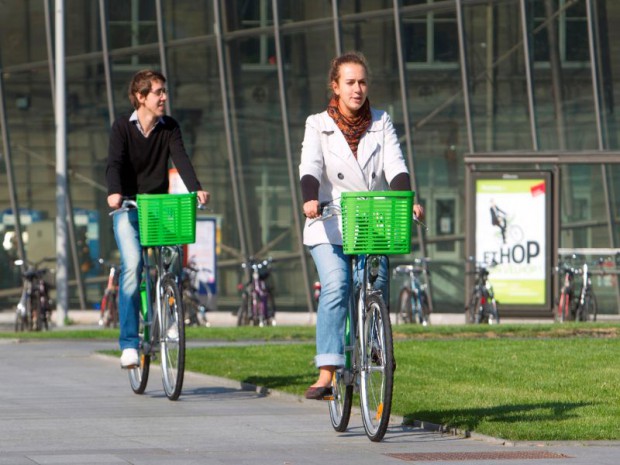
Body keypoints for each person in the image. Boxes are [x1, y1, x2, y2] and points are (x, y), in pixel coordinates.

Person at [299, 51, 424, 400]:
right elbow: (309, 166)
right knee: (337, 285)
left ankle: (375, 345)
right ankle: (327, 369)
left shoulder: (381, 121)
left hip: (370, 219)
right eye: (350, 82)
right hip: (329, 220)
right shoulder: (318, 123)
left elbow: (395, 166)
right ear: (335, 86)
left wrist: (407, 198)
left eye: (363, 82)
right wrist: (310, 199)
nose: (357, 89)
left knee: (376, 283)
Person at [106, 69, 210, 369]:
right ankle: (128, 343)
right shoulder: (122, 129)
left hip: (158, 207)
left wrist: (197, 189)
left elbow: (181, 157)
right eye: (158, 92)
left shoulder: (169, 128)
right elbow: (113, 163)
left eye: (164, 91)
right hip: (127, 207)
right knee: (133, 267)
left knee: (172, 259)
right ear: (141, 97)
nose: (164, 97)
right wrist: (114, 192)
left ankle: (170, 315)